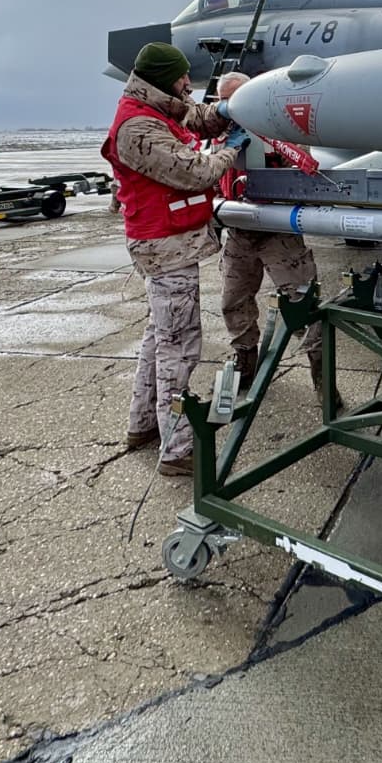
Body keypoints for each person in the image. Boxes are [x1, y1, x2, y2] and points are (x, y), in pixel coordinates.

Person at [102, 42, 244, 477]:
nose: (189, 84)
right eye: (183, 77)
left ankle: (142, 425)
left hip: (169, 244)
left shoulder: (158, 107)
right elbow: (195, 172)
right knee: (179, 346)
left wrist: (228, 110)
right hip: (164, 248)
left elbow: (196, 116)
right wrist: (230, 148)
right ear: (165, 78)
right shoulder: (138, 128)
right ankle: (178, 449)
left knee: (158, 337)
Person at [213, 71, 340, 411]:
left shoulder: (278, 133)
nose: (231, 107)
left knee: (303, 306)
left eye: (238, 99)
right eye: (224, 101)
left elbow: (303, 172)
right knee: (233, 301)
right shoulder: (218, 139)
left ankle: (323, 379)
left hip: (278, 235)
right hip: (239, 235)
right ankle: (245, 361)